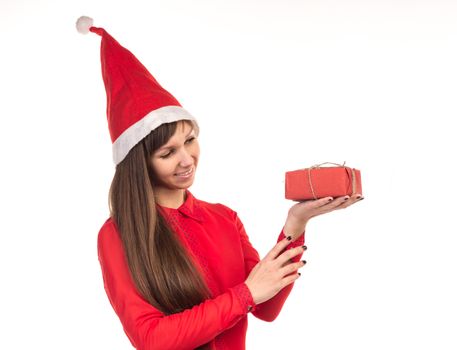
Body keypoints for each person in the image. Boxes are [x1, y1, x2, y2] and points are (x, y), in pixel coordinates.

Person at [77, 16, 363, 350]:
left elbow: (266, 308)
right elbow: (152, 340)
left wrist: (297, 222)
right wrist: (244, 295)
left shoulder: (224, 219)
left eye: (190, 139)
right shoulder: (118, 234)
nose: (187, 159)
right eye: (168, 152)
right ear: (140, 164)